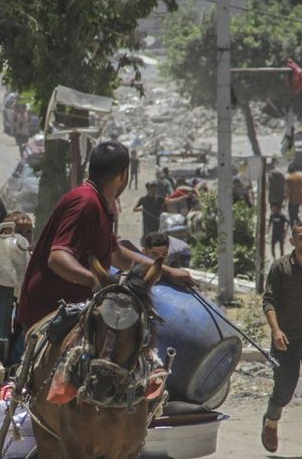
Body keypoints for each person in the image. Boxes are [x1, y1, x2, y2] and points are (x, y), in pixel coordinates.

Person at [16, 141, 193, 332]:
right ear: (124, 174)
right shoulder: (85, 203)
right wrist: (100, 281)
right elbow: (57, 258)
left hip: (74, 311)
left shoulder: (97, 204)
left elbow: (117, 254)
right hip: (50, 316)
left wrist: (167, 272)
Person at [260, 220, 302, 458]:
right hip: (285, 338)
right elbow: (268, 300)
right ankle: (271, 420)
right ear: (293, 241)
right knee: (285, 389)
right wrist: (276, 331)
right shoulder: (280, 268)